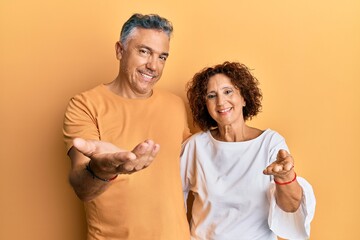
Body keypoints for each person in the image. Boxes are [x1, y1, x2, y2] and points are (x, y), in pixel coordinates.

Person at [63, 13, 191, 240]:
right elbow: (82, 187)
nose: (153, 66)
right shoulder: (85, 105)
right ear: (120, 51)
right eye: (144, 52)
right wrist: (105, 169)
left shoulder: (175, 105)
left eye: (162, 57)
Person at [181, 61, 316, 240]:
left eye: (228, 92)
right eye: (212, 96)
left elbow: (290, 207)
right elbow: (172, 201)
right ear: (205, 105)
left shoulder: (269, 143)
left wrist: (285, 177)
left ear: (244, 97)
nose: (221, 102)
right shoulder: (195, 146)